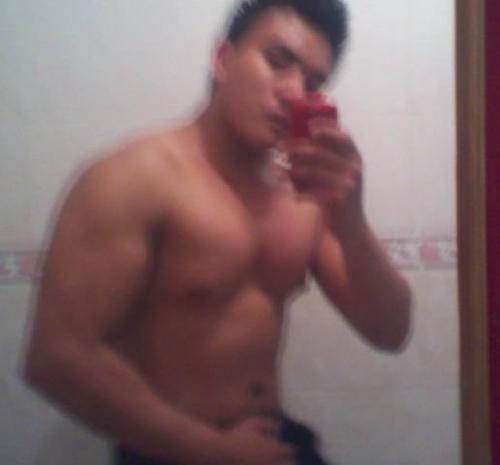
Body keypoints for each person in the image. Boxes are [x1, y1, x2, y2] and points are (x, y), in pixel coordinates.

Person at [24, 1, 411, 464]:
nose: (294, 92)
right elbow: (57, 357)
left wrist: (352, 219)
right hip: (169, 452)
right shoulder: (132, 179)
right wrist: (212, 451)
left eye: (313, 82)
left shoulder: (304, 196)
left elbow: (390, 329)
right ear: (224, 59)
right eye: (278, 61)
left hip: (271, 441)